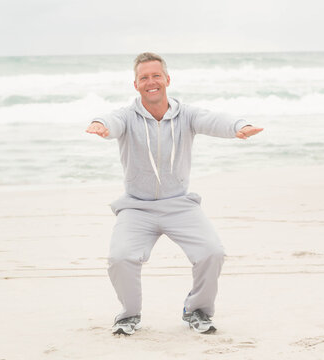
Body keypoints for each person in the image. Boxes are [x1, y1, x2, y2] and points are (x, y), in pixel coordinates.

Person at [85, 52, 263, 335]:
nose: (151, 82)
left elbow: (214, 119)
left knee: (212, 252)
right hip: (136, 207)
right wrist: (101, 125)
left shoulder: (186, 114)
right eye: (144, 77)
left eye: (156, 76)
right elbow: (112, 121)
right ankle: (129, 315)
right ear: (136, 84)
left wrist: (238, 127)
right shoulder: (127, 116)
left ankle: (197, 310)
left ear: (167, 80)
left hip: (180, 204)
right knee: (120, 258)